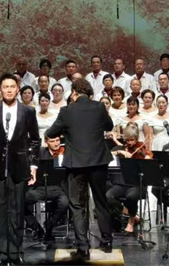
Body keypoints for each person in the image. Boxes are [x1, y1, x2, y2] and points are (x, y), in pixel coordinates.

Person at [46, 77, 114, 261]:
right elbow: (109, 126)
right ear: (89, 93)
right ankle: (107, 242)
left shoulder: (66, 110)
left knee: (77, 205)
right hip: (98, 161)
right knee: (101, 201)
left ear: (74, 92)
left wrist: (67, 130)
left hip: (76, 164)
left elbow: (51, 133)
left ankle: (83, 248)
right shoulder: (99, 107)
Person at [0, 73, 40, 265]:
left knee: (17, 211)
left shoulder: (28, 111)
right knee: (0, 210)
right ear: (0, 89)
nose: (9, 90)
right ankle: (2, 253)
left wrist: (33, 165)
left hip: (20, 166)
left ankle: (15, 252)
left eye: (12, 87)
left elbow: (35, 140)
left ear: (18, 89)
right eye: (5, 87)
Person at [24, 135, 69, 244]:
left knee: (65, 202)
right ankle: (36, 227)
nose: (56, 143)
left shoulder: (66, 152)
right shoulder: (39, 153)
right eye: (52, 141)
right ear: (46, 142)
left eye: (58, 140)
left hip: (58, 188)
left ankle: (50, 224)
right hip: (39, 188)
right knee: (20, 199)